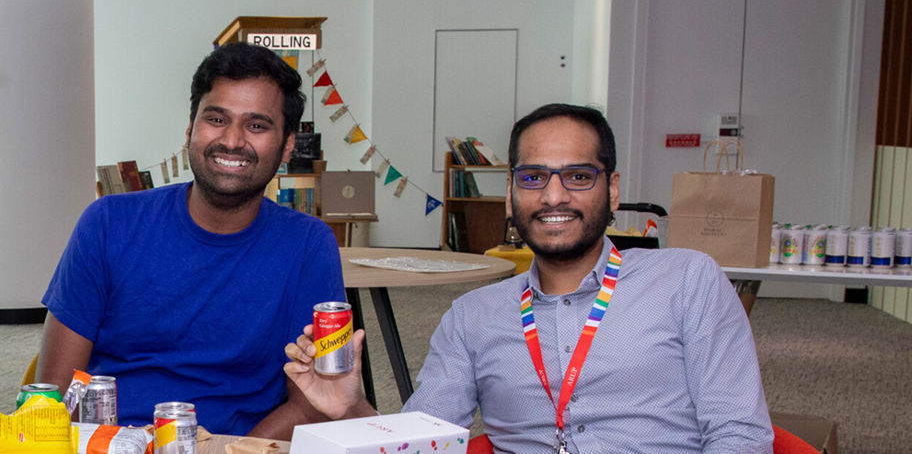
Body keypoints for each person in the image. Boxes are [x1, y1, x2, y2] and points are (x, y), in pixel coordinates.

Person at [285, 103, 771, 453]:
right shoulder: (473, 317)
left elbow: (740, 436)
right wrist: (350, 406)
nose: (553, 196)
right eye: (533, 177)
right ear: (511, 194)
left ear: (613, 189)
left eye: (578, 176)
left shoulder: (686, 281)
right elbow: (421, 441)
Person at [36, 43, 345, 438]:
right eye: (216, 118)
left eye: (257, 125)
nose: (232, 141)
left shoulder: (309, 245)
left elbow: (312, 403)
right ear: (190, 130)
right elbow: (54, 394)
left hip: (237, 450)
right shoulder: (108, 222)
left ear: (286, 146)